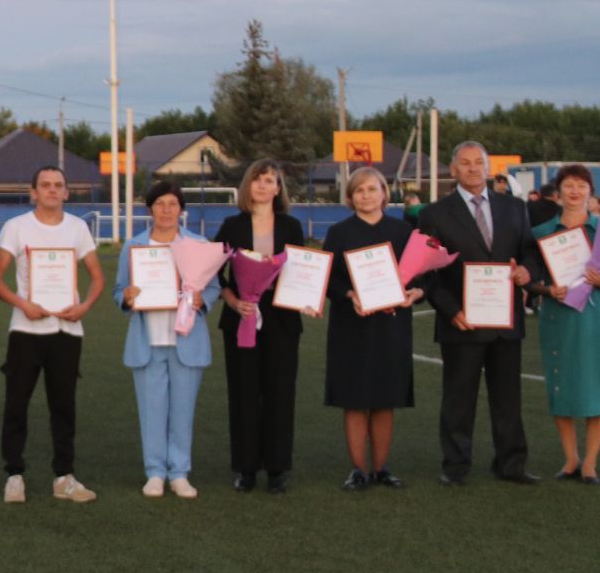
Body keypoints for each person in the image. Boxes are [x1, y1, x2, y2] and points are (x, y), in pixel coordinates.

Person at [414, 141, 542, 486]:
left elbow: (529, 253)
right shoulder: (435, 213)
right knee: (458, 397)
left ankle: (511, 464)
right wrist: (450, 309)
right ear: (453, 170)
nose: (473, 169)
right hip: (462, 321)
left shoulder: (514, 207)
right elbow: (427, 272)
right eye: (465, 163)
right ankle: (455, 466)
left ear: (488, 168)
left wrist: (527, 273)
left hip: (505, 321)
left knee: (508, 398)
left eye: (478, 163)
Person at [0, 164, 103, 504]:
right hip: (26, 330)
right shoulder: (16, 227)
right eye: (45, 185)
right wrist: (22, 303)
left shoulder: (78, 228)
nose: (52, 190)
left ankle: (64, 477)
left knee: (63, 405)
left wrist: (84, 307)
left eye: (58, 185)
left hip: (67, 330)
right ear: (33, 192)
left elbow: (97, 278)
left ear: (67, 192)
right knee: (16, 405)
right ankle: (14, 475)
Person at [113, 179, 220, 499]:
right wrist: (128, 297)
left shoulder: (199, 245)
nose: (166, 210)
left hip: (186, 341)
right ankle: (155, 472)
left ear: (181, 210)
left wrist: (203, 301)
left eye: (172, 204)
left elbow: (212, 288)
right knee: (152, 410)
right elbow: (119, 290)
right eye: (160, 204)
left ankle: (180, 472)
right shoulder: (134, 247)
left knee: (183, 410)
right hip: (148, 341)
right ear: (150, 209)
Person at [322, 167, 426, 490]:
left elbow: (423, 275)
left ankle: (381, 468)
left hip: (391, 327)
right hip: (351, 326)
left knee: (384, 399)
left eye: (372, 189)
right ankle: (358, 469)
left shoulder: (404, 231)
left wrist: (417, 292)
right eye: (359, 190)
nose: (366, 195)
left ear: (385, 193)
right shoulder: (339, 232)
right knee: (355, 399)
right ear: (350, 197)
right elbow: (328, 279)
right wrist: (349, 293)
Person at [213, 159, 312, 493]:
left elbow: (303, 273)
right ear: (247, 185)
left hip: (282, 320)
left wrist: (308, 297)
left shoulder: (292, 227)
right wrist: (232, 300)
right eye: (258, 179)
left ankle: (277, 469)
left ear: (278, 188)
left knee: (280, 393)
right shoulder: (230, 225)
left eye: (270, 180)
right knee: (244, 393)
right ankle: (245, 468)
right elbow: (213, 272)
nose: (263, 185)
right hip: (241, 316)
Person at [532, 165, 600, 484]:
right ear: (558, 193)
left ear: (591, 191)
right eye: (568, 185)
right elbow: (532, 279)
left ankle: (590, 461)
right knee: (561, 385)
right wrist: (547, 289)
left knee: (597, 385)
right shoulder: (542, 231)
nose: (574, 191)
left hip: (598, 316)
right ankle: (570, 459)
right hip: (559, 315)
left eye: (581, 185)